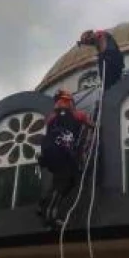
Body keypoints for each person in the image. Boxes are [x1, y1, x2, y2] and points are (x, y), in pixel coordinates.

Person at [37, 90, 94, 227]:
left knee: (64, 180)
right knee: (64, 183)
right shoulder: (77, 115)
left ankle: (43, 204)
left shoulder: (51, 118)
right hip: (64, 154)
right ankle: (51, 215)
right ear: (70, 102)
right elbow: (91, 125)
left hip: (51, 154)